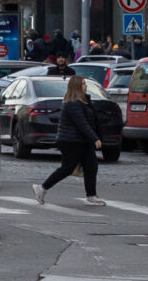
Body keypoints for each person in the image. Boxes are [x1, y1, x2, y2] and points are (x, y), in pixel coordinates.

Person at [34, 76, 103, 206]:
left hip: (82, 141)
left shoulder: (82, 102)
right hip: (71, 141)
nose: (85, 86)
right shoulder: (73, 104)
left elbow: (91, 120)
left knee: (91, 166)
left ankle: (91, 195)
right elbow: (82, 124)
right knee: (67, 168)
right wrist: (95, 138)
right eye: (83, 84)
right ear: (76, 87)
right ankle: (42, 188)